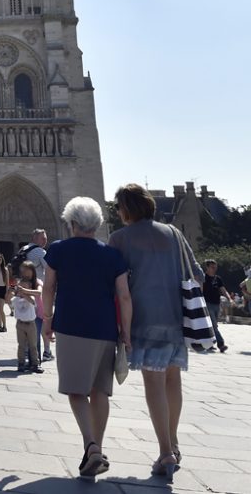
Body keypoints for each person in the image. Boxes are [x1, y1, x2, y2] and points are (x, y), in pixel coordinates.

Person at [109, 183, 199, 481]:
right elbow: (196, 274)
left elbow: (113, 283)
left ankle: (165, 452)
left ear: (126, 209)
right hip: (176, 319)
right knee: (173, 381)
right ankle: (173, 443)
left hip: (144, 320)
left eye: (119, 207)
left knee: (154, 384)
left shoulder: (119, 238)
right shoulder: (174, 233)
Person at [42, 196, 131, 479]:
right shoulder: (112, 256)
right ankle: (95, 449)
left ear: (72, 224)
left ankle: (91, 446)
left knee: (76, 391)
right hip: (105, 330)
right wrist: (126, 334)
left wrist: (46, 320)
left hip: (70, 326)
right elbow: (125, 296)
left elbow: (48, 288)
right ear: (96, 224)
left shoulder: (58, 250)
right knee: (100, 391)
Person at [16, 229, 52, 361]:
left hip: (23, 290)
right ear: (35, 238)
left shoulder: (23, 250)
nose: (45, 240)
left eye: (46, 238)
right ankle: (46, 352)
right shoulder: (40, 252)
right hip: (37, 291)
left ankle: (26, 350)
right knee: (42, 322)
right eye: (43, 238)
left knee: (26, 320)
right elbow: (50, 268)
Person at [13, 262, 43, 373]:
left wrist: (24, 291)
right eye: (23, 270)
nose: (25, 272)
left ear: (32, 270)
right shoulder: (21, 283)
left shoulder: (37, 282)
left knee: (35, 342)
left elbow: (39, 293)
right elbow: (12, 299)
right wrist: (15, 291)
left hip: (38, 314)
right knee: (23, 344)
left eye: (27, 270)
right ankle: (25, 363)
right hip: (23, 318)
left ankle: (35, 363)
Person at [203, 260, 232, 353]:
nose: (214, 269)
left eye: (215, 267)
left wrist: (229, 298)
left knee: (212, 325)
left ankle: (208, 344)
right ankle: (221, 344)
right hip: (207, 304)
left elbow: (223, 289)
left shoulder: (217, 278)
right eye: (212, 267)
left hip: (217, 304)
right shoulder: (203, 277)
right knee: (213, 325)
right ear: (207, 267)